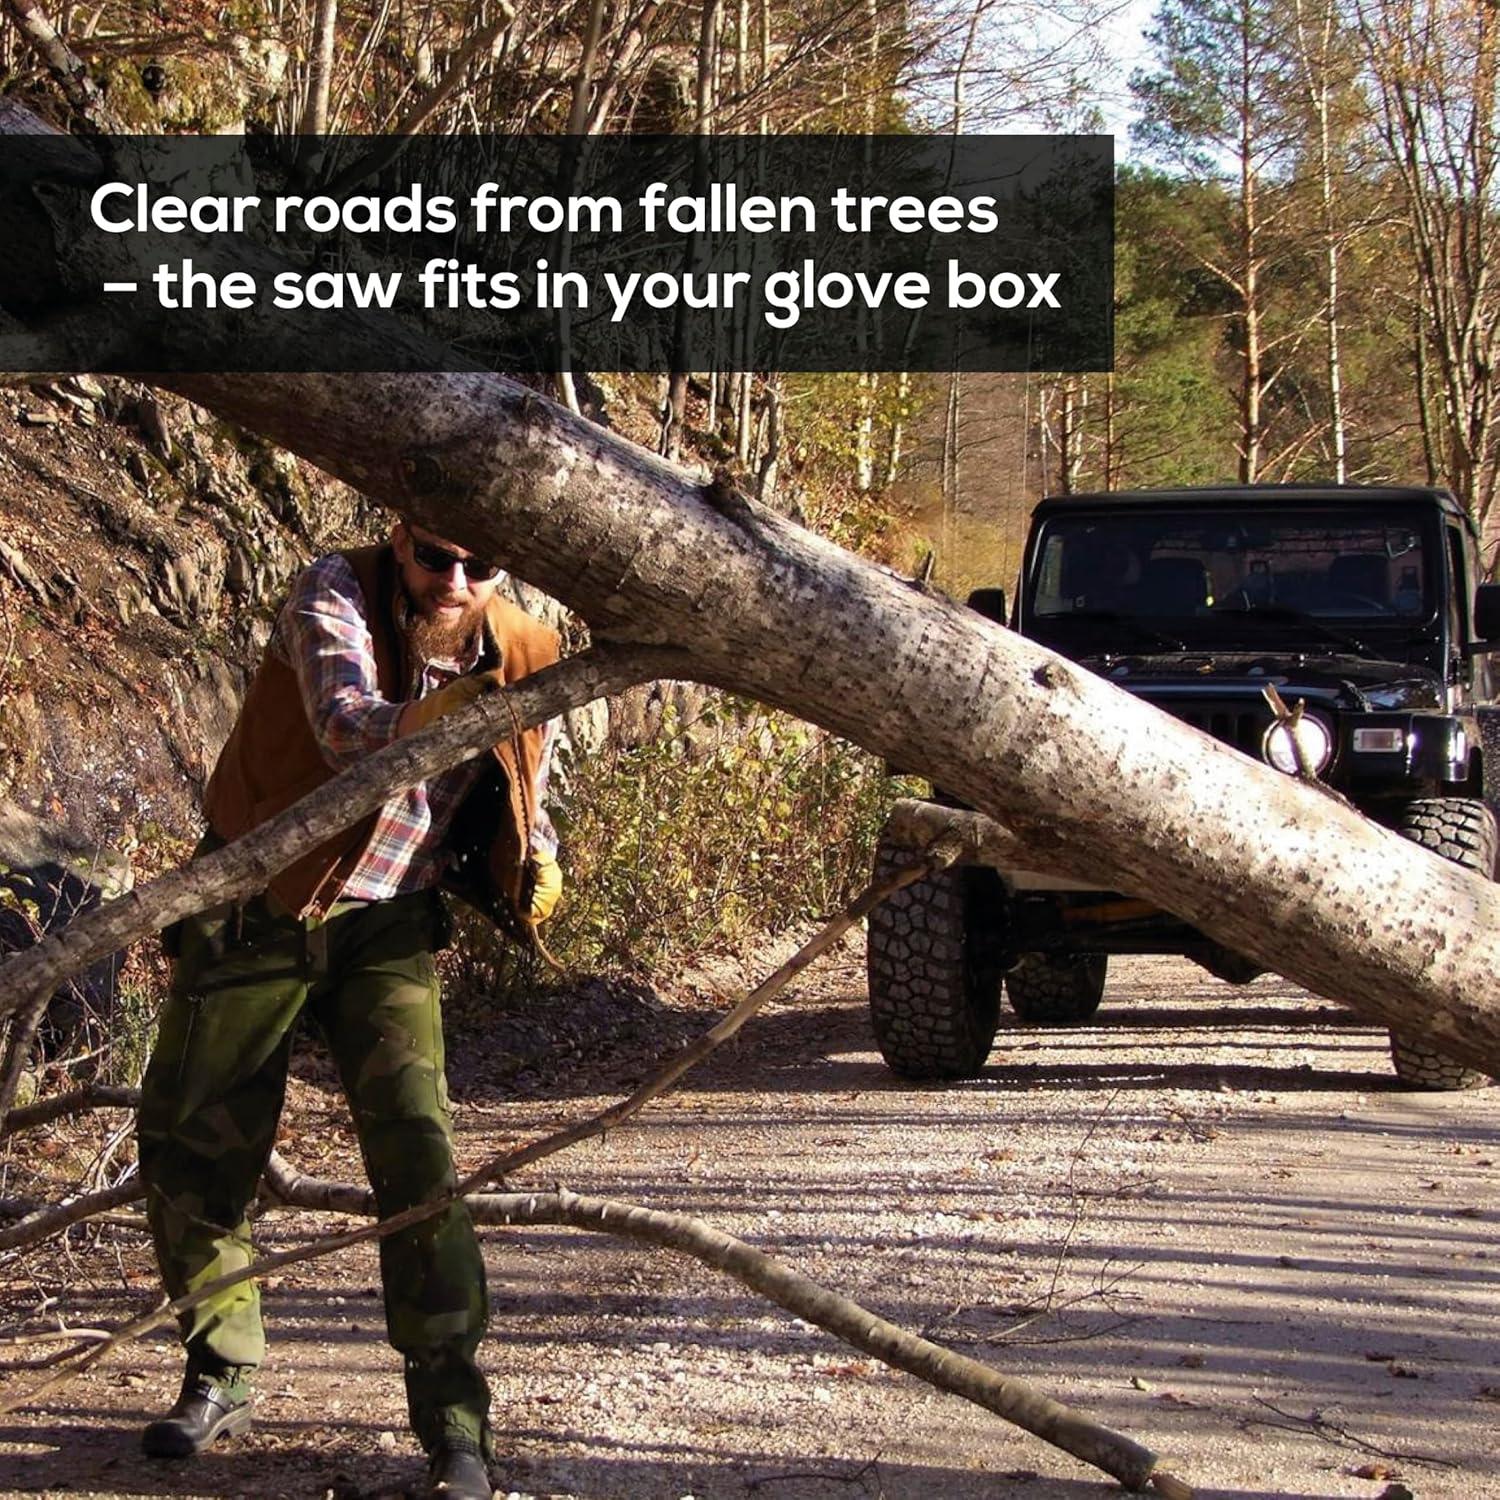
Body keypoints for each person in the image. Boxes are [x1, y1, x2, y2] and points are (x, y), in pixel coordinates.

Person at [135, 519, 563, 1500]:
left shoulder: (532, 651)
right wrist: (442, 714)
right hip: (259, 898)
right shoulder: (332, 589)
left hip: (391, 923)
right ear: (400, 541)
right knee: (195, 1142)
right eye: (433, 557)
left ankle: (456, 1422)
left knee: (419, 1160)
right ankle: (220, 1366)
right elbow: (344, 727)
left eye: (477, 564)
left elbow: (532, 777)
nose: (453, 581)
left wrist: (539, 851)